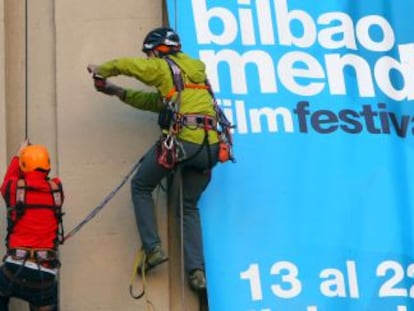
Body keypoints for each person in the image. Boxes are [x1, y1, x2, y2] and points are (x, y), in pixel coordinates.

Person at [87, 26, 226, 291]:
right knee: (188, 207)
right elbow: (156, 103)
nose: (149, 59)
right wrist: (119, 92)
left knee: (141, 186)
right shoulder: (195, 74)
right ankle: (196, 271)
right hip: (210, 148)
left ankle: (153, 249)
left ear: (158, 50)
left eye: (150, 54)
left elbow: (130, 66)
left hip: (184, 142)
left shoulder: (163, 67)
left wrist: (102, 70)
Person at [0, 139, 64, 311]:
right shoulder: (57, 190)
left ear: (23, 165)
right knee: (46, 300)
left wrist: (18, 154)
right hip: (45, 275)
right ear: (48, 166)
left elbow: (7, 180)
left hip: (13, 270)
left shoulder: (13, 189)